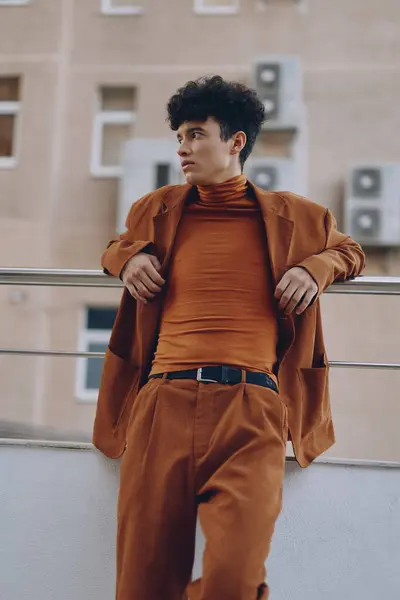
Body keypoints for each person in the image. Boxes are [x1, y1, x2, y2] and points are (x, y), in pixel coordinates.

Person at [93, 75, 366, 600]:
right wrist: (125, 260)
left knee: (233, 580)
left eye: (196, 134)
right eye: (180, 136)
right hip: (161, 404)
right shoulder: (157, 209)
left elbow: (351, 251)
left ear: (235, 141)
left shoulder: (299, 217)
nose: (182, 148)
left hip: (252, 408)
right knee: (143, 582)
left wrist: (317, 268)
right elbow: (115, 244)